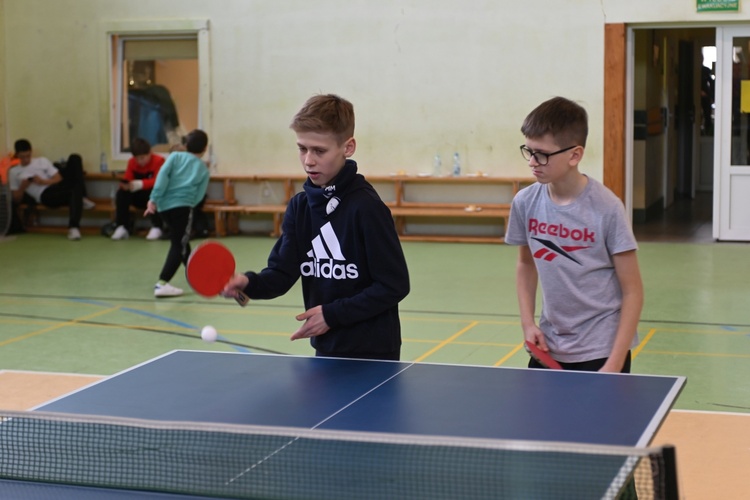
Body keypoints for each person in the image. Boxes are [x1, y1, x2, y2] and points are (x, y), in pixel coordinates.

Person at [222, 94, 410, 360]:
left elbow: (394, 285)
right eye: (302, 148)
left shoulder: (367, 208)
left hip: (374, 352)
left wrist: (332, 315)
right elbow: (281, 274)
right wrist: (248, 283)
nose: (308, 160)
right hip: (326, 347)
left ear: (348, 147)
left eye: (319, 151)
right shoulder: (300, 208)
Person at [505, 96, 644, 373]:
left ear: (574, 155)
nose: (532, 161)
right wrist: (527, 323)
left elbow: (633, 291)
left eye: (542, 154)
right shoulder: (525, 202)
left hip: (602, 350)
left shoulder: (607, 208)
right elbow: (525, 263)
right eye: (528, 151)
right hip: (550, 346)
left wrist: (615, 363)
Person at [145, 129, 210, 298]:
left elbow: (162, 177)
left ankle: (196, 278)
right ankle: (162, 283)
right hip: (183, 208)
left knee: (182, 242)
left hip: (164, 208)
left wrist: (154, 199)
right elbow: (199, 196)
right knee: (178, 244)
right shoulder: (203, 169)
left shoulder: (174, 157)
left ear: (185, 145)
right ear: (205, 149)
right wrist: (189, 205)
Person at [7, 139, 95, 240]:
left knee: (75, 158)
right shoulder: (13, 172)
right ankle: (74, 227)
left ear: (31, 152)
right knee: (73, 191)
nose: (26, 159)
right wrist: (23, 186)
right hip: (44, 195)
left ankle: (81, 197)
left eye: (28, 156)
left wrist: (43, 181)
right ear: (17, 155)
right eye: (23, 157)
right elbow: (16, 199)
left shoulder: (41, 161)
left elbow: (58, 178)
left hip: (54, 185)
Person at [111, 138, 165, 240]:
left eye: (142, 157)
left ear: (150, 153)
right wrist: (126, 186)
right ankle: (122, 227)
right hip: (138, 197)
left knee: (156, 193)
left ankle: (157, 227)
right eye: (137, 158)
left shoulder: (159, 161)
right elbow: (128, 178)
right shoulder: (131, 163)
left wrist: (140, 184)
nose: (140, 161)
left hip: (152, 197)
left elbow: (159, 182)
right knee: (121, 193)